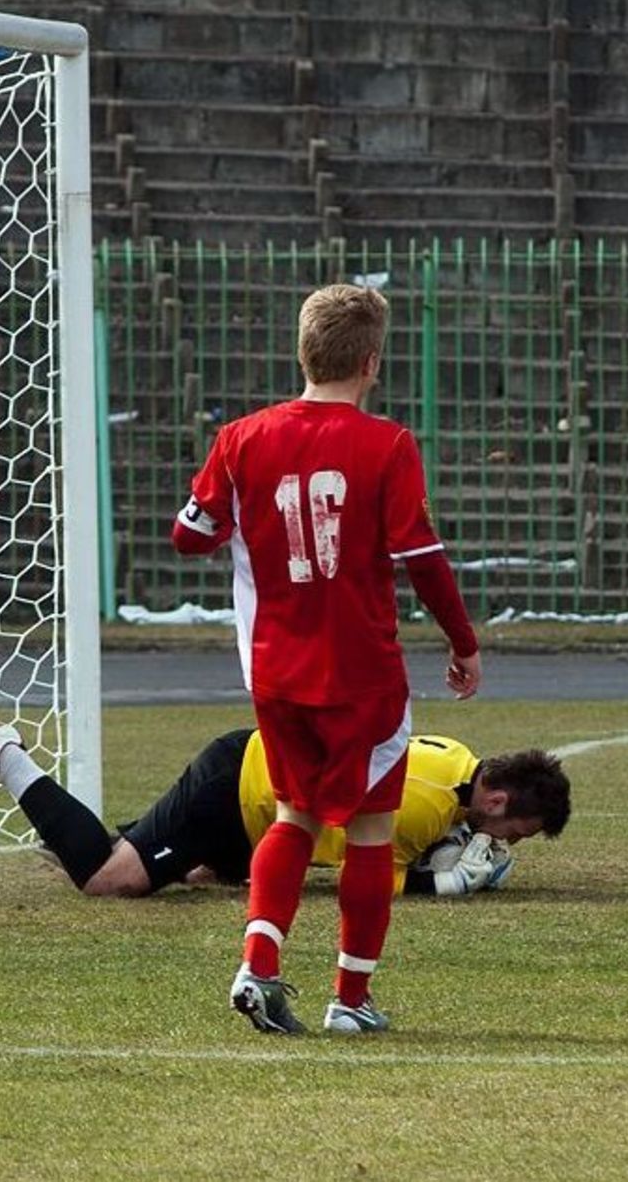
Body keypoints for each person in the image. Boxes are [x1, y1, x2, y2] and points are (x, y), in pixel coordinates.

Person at [170, 283, 483, 1035]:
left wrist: (235, 531)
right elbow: (423, 557)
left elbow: (190, 533)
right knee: (370, 831)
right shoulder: (387, 445)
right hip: (361, 672)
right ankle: (350, 997)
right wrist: (462, 642)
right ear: (370, 363)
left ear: (301, 352)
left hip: (276, 668)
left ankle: (260, 964)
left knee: (293, 815)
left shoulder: (241, 438)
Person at [0, 725, 569, 898]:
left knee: (210, 877)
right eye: (518, 830)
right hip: (239, 792)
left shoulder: (458, 760)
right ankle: (6, 755)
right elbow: (363, 877)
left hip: (261, 796)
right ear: (497, 798)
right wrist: (448, 881)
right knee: (109, 879)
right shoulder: (427, 804)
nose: (512, 841)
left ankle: (109, 836)